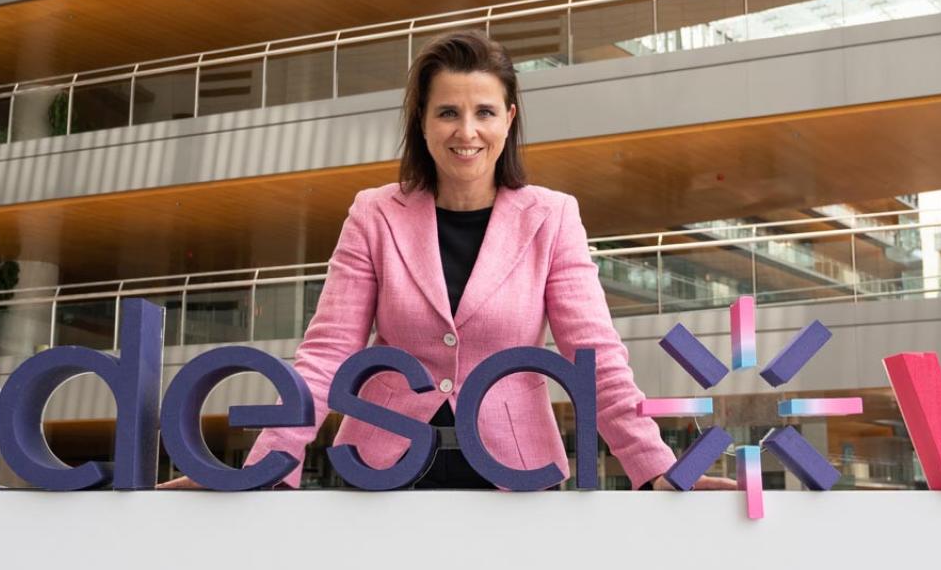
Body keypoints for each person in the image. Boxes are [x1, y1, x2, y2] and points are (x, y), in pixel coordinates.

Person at [165, 30, 734, 491]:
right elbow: (326, 355)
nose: (467, 132)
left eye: (484, 112)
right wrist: (265, 464)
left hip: (517, 470)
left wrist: (656, 466)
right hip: (382, 465)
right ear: (421, 120)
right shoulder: (373, 214)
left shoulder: (553, 217)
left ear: (509, 120)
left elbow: (595, 356)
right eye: (447, 113)